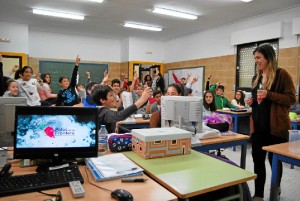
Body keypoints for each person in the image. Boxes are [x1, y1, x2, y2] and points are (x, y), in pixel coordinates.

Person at [245, 44, 296, 201]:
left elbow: (291, 99)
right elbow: (260, 102)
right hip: (258, 127)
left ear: (268, 58)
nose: (256, 61)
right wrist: (252, 102)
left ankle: (275, 191)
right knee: (257, 160)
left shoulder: (282, 75)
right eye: (255, 58)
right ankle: (259, 194)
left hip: (276, 128)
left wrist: (269, 94)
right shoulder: (257, 77)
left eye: (259, 58)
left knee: (274, 161)